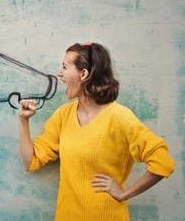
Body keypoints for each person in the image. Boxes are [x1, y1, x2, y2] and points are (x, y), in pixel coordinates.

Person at [18, 42, 175, 221]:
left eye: (64, 67)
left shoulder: (119, 117)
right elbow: (30, 162)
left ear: (83, 74)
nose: (59, 73)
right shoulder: (63, 115)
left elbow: (163, 162)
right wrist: (24, 120)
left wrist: (124, 194)